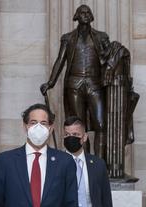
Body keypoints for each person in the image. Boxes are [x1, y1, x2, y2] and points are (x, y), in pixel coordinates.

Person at [40, 5, 111, 159]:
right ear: (76, 16)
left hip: (94, 83)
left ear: (91, 16)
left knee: (101, 125)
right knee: (78, 126)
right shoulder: (68, 38)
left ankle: (98, 164)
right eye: (82, 13)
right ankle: (83, 160)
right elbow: (60, 60)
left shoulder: (101, 37)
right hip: (75, 83)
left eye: (87, 13)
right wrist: (50, 83)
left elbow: (109, 59)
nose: (85, 15)